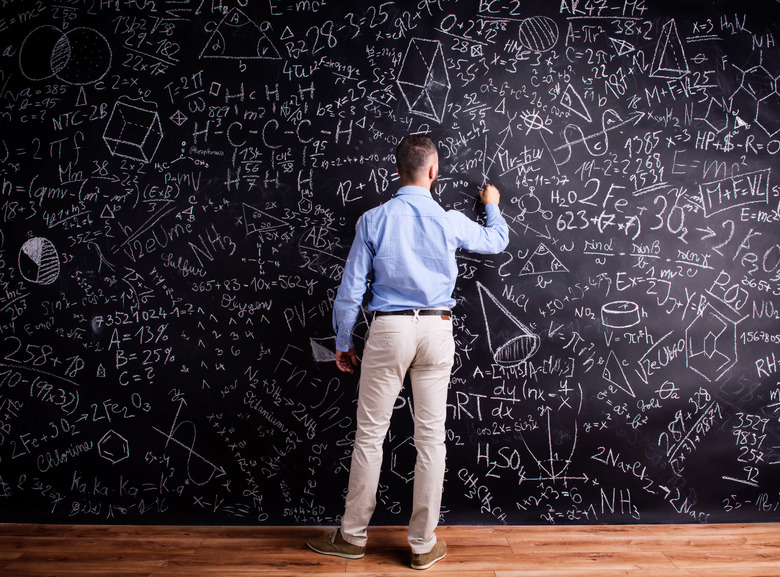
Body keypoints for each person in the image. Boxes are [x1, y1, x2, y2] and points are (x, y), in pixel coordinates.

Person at [306, 133, 509, 570]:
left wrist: (343, 343)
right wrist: (490, 202)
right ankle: (421, 545)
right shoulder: (451, 220)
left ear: (398, 171)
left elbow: (349, 292)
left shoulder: (373, 219)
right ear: (433, 171)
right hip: (437, 329)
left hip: (388, 332)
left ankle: (353, 537)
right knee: (431, 439)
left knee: (369, 437)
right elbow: (496, 241)